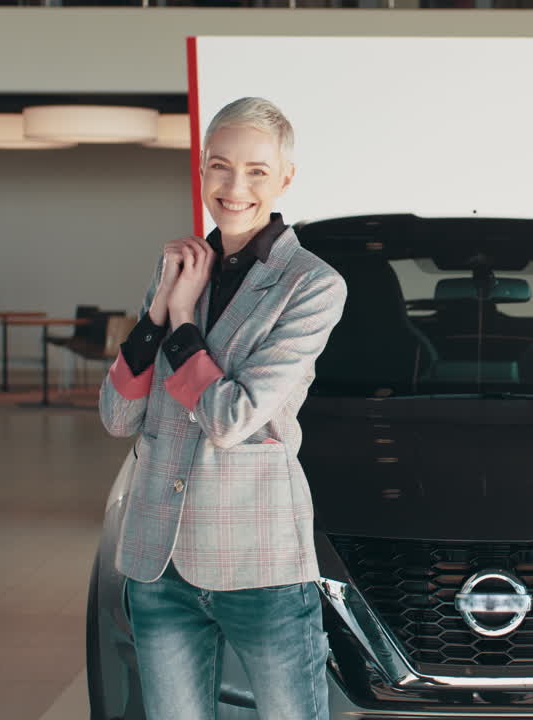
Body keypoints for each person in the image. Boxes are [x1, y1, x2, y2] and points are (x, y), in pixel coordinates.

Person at [98, 97, 346, 720]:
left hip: (258, 557)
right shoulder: (176, 267)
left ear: (285, 178)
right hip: (159, 562)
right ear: (202, 171)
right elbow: (117, 415)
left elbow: (230, 419)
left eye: (257, 171)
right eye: (220, 166)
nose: (235, 186)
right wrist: (158, 310)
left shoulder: (312, 285)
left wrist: (182, 318)